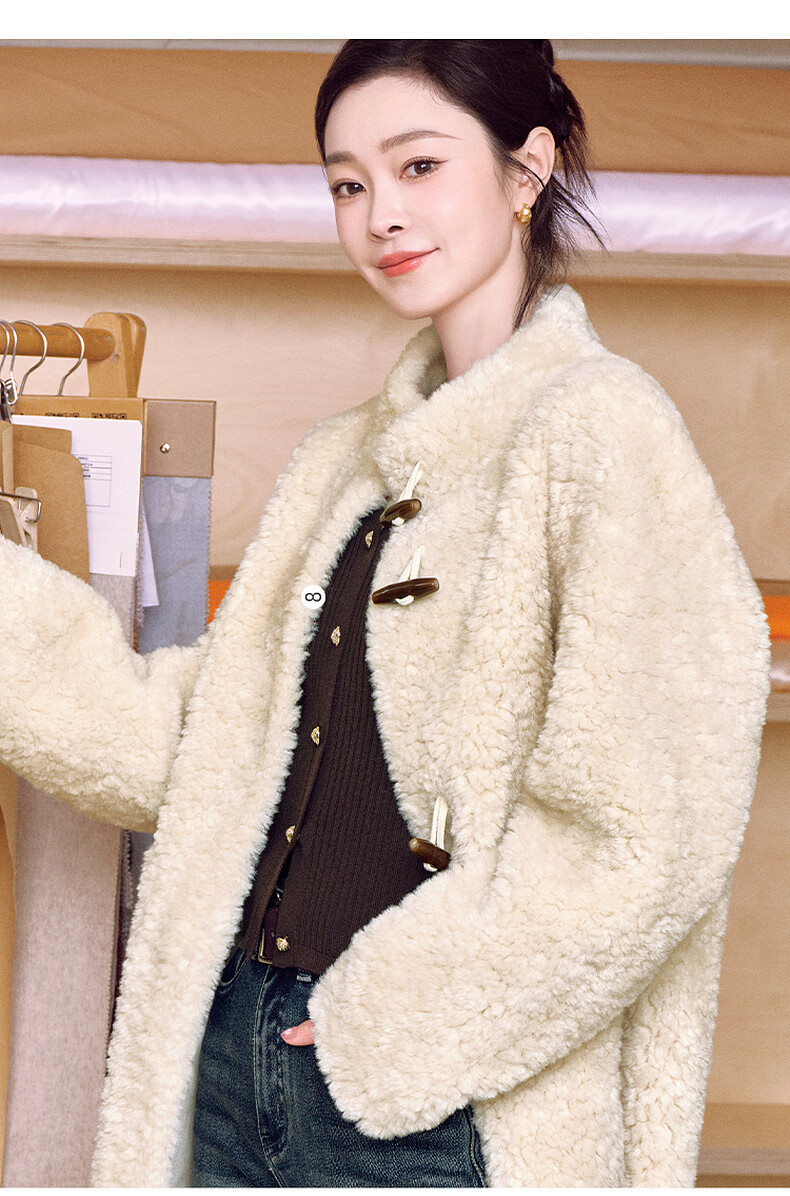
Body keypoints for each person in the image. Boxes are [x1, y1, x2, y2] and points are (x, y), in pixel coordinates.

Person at [0, 39, 770, 1189]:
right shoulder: (340, 464)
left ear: (526, 169)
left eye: (418, 166)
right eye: (348, 183)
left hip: (423, 1099)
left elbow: (639, 830)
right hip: (231, 1058)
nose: (380, 216)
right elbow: (204, 750)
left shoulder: (603, 429)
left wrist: (391, 1021)